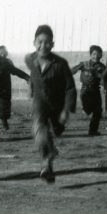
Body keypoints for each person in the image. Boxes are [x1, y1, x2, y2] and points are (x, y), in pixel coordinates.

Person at [24, 24, 77, 183]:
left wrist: (66, 110)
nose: (43, 46)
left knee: (55, 131)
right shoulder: (30, 59)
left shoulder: (60, 64)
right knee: (39, 130)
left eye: (47, 42)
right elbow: (34, 75)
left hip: (57, 105)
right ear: (34, 42)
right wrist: (31, 87)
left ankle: (50, 157)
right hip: (39, 103)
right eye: (40, 41)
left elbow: (70, 88)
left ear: (52, 44)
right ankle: (46, 163)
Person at [71, 45, 106, 136]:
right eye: (94, 54)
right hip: (85, 90)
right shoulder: (84, 64)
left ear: (101, 56)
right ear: (90, 55)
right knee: (88, 109)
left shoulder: (102, 67)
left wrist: (103, 84)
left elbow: (106, 77)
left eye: (98, 55)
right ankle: (86, 109)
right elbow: (72, 70)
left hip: (96, 91)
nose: (96, 57)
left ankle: (92, 131)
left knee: (98, 111)